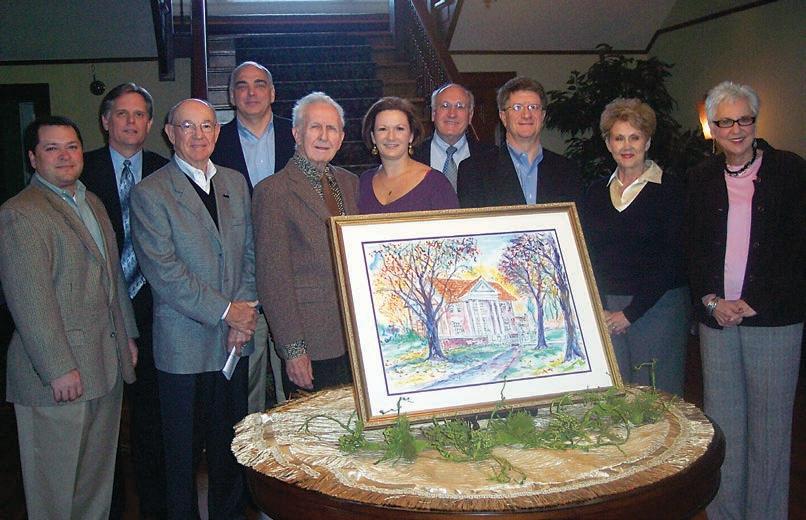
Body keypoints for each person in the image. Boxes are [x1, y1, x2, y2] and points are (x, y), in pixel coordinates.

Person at [0, 117, 138, 519]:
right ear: (33, 158)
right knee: (55, 493)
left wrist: (127, 336)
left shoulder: (90, 201)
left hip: (104, 365)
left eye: (72, 146)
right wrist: (58, 367)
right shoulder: (21, 213)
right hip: (57, 378)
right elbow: (30, 300)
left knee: (95, 486)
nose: (65, 156)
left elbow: (112, 277)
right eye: (52, 148)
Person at [131, 98, 258, 520]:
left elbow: (250, 255)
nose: (198, 134)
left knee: (230, 447)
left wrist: (243, 316)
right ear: (170, 133)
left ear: (217, 133)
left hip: (233, 342)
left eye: (206, 125)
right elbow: (164, 272)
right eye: (187, 126)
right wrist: (227, 311)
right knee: (181, 455)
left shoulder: (235, 182)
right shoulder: (150, 192)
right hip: (183, 344)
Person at [686, 81, 805, 520]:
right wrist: (711, 300)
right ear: (712, 128)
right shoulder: (700, 177)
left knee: (770, 430)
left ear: (755, 121)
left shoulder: (791, 171)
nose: (735, 130)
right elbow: (692, 247)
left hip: (774, 320)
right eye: (725, 122)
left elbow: (798, 247)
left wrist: (757, 300)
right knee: (724, 425)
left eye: (744, 119)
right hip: (717, 320)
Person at [81, 82, 169, 518]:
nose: (131, 122)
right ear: (105, 121)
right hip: (100, 314)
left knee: (152, 421)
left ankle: (155, 507)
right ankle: (110, 508)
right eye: (121, 113)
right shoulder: (81, 170)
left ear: (150, 123)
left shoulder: (165, 170)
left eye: (139, 114)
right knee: (103, 424)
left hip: (156, 313)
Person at [252, 92, 359, 396]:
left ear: (341, 138)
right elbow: (273, 279)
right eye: (315, 127)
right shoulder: (272, 192)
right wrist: (293, 349)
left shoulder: (350, 183)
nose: (324, 136)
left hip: (354, 335)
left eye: (331, 128)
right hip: (310, 340)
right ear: (297, 134)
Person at [580, 98, 688, 395]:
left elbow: (672, 259)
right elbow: (588, 254)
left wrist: (630, 313)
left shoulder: (671, 189)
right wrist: (601, 307)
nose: (626, 146)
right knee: (615, 398)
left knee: (657, 398)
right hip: (606, 310)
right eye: (619, 138)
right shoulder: (595, 192)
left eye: (635, 137)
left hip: (658, 308)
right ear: (608, 144)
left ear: (647, 141)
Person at [211, 61, 295, 411]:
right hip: (240, 280)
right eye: (242, 85)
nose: (251, 92)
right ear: (231, 96)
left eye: (259, 84)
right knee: (247, 380)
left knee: (296, 381)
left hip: (291, 273)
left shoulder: (298, 135)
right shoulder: (214, 142)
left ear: (272, 93)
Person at [458, 76, 582, 208]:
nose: (526, 115)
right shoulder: (474, 171)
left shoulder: (567, 170)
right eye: (517, 107)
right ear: (503, 117)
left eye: (533, 107)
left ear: (542, 116)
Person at [359, 96, 459, 213]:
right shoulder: (364, 182)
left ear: (411, 135)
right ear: (373, 137)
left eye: (399, 129)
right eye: (382, 129)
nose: (391, 137)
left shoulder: (436, 184)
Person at [412, 83, 497, 191]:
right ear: (433, 114)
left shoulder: (492, 157)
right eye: (445, 106)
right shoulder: (412, 157)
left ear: (470, 116)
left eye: (459, 106)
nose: (452, 114)